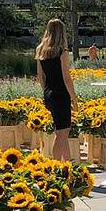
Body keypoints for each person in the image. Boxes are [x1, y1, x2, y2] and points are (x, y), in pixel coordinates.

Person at [33, 19, 77, 161]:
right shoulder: (62, 52)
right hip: (61, 94)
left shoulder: (40, 50)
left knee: (60, 132)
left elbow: (41, 77)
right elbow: (67, 78)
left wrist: (46, 92)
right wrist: (74, 97)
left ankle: (62, 164)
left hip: (49, 93)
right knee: (63, 134)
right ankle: (63, 166)